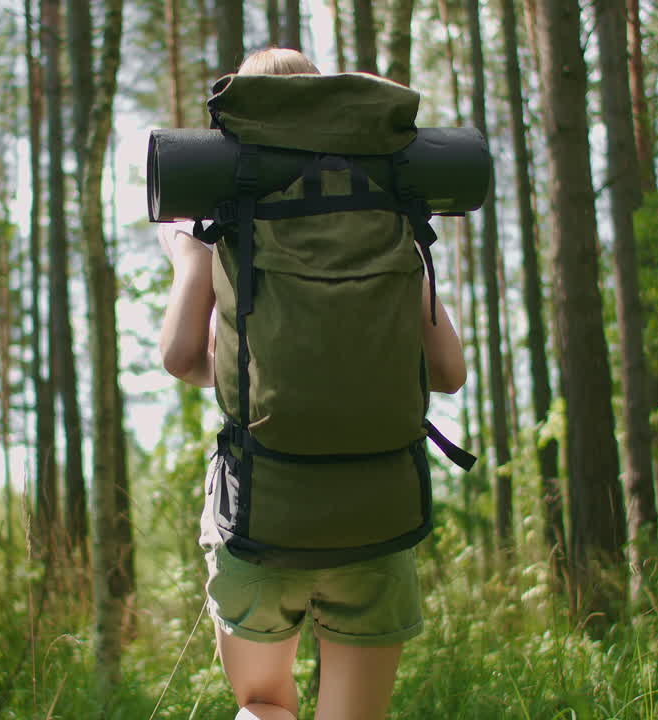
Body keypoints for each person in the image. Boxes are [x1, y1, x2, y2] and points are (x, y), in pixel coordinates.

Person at [158, 48, 466, 720]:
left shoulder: (232, 215)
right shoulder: (390, 215)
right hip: (377, 516)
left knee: (264, 704)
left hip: (259, 512)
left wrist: (191, 258)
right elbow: (448, 373)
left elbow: (182, 358)